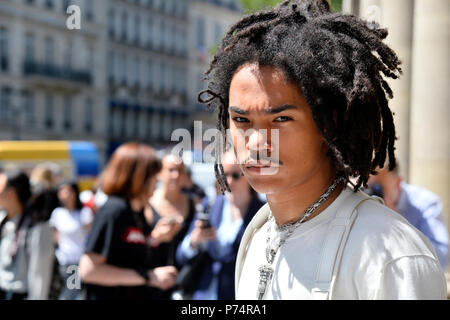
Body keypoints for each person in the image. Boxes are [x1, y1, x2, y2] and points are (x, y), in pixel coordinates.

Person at [198, 0, 447, 299]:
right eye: (241, 119)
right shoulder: (258, 234)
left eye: (281, 119)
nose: (255, 143)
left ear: (329, 124)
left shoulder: (391, 256)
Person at [79, 143, 178, 300]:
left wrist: (155, 239)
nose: (157, 181)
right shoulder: (114, 211)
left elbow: (126, 253)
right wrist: (148, 277)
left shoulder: (137, 212)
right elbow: (89, 270)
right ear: (139, 177)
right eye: (153, 176)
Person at [176, 151, 265, 299]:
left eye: (235, 175)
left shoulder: (262, 213)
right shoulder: (210, 205)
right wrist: (194, 241)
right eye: (224, 175)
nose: (228, 181)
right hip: (202, 293)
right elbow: (181, 255)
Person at [367, 165, 449, 270]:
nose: (372, 196)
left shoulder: (424, 203)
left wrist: (398, 223)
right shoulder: (361, 205)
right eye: (367, 188)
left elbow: (441, 259)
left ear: (398, 183)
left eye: (377, 189)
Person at [0, 170, 55, 300]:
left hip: (18, 294)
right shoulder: (4, 220)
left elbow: (40, 279)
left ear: (11, 193)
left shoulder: (37, 227)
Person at [49, 180, 94, 299]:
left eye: (68, 191)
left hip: (77, 260)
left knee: (72, 292)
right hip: (63, 259)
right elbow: (55, 237)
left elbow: (91, 236)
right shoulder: (57, 213)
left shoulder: (84, 212)